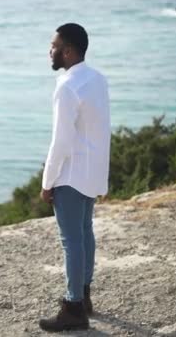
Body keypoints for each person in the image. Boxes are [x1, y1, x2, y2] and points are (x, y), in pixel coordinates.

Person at [39, 23, 111, 332]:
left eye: (53, 46)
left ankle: (73, 308)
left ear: (68, 51)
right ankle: (84, 296)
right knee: (85, 234)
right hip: (93, 171)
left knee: (72, 241)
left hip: (70, 174)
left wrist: (47, 182)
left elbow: (61, 141)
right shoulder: (97, 79)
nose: (49, 51)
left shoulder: (66, 86)